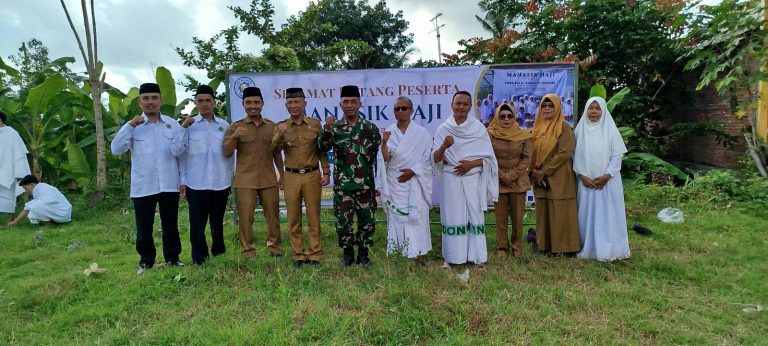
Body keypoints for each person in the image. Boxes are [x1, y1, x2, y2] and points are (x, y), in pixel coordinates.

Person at [111, 83, 186, 274]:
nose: (150, 102)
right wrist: (129, 126)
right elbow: (116, 149)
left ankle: (173, 258)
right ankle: (146, 261)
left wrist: (182, 180)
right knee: (144, 226)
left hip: (169, 183)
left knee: (170, 224)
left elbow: (181, 155)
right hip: (143, 184)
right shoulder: (134, 126)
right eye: (146, 98)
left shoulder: (172, 125)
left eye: (154, 98)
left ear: (161, 100)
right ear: (140, 102)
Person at [432, 91, 498, 266]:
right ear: (452, 105)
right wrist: (444, 146)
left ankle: (476, 256)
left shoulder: (478, 128)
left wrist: (471, 164)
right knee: (453, 216)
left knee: (474, 215)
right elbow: (436, 159)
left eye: (465, 104)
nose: (461, 107)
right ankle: (454, 257)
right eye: (458, 103)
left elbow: (489, 159)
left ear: (470, 106)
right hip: (451, 180)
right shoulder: (443, 129)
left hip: (472, 179)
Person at [318, 85, 381, 267]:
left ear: (360, 103)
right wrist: (327, 129)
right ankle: (347, 254)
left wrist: (378, 183)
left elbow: (377, 157)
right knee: (343, 221)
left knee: (366, 221)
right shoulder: (335, 128)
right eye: (346, 102)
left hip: (365, 186)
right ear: (341, 105)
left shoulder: (370, 128)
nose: (350, 105)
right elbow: (321, 147)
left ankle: (363, 254)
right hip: (343, 187)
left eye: (353, 101)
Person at [272, 87, 331, 267]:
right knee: (294, 218)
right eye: (290, 102)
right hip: (291, 176)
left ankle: (315, 254)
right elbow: (273, 151)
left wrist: (326, 172)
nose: (293, 105)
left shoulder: (315, 124)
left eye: (297, 102)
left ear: (304, 104)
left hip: (312, 174)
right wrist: (280, 135)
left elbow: (321, 150)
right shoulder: (281, 126)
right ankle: (298, 254)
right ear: (286, 105)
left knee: (313, 216)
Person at [223, 87, 284, 258]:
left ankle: (274, 248)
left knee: (273, 216)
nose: (253, 106)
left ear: (262, 103)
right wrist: (234, 137)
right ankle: (248, 250)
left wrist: (282, 174)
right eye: (248, 102)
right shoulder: (235, 127)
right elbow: (226, 152)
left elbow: (276, 152)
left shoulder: (271, 126)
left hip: (269, 178)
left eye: (256, 102)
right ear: (243, 104)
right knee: (246, 218)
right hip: (245, 180)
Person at [180, 84, 235, 265]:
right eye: (200, 101)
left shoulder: (224, 126)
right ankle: (199, 259)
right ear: (196, 103)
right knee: (197, 225)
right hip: (196, 184)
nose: (204, 104)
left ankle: (219, 253)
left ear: (214, 102)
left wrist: (229, 180)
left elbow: (230, 156)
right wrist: (183, 128)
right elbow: (179, 152)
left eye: (208, 100)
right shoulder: (189, 126)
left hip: (220, 183)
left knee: (217, 222)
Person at [375, 96, 433, 260]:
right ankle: (398, 253)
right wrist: (384, 143)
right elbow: (386, 158)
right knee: (397, 219)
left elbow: (427, 160)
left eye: (404, 108)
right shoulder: (389, 132)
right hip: (395, 182)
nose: (400, 111)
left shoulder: (422, 133)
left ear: (411, 110)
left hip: (416, 181)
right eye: (397, 108)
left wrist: (413, 171)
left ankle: (418, 255)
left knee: (417, 218)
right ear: (394, 111)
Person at [573, 97, 630, 261]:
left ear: (603, 111)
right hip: (586, 183)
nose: (594, 111)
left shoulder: (610, 129)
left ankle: (609, 249)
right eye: (590, 108)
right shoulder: (579, 131)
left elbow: (617, 155)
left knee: (608, 216)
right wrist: (581, 175)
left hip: (607, 184)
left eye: (597, 108)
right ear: (586, 110)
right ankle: (587, 247)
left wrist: (607, 175)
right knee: (586, 216)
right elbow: (573, 154)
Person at [530, 94, 580, 256]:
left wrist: (544, 171)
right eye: (544, 106)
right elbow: (530, 151)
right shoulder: (536, 128)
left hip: (559, 176)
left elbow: (564, 153)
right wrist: (534, 172)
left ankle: (563, 248)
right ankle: (544, 246)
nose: (547, 109)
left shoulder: (564, 128)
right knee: (542, 211)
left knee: (560, 211)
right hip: (540, 179)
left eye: (551, 105)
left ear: (558, 107)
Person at [488, 103, 532, 257]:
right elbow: (488, 157)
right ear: (497, 117)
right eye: (502, 116)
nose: (506, 119)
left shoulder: (524, 135)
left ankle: (517, 247)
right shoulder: (490, 134)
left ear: (514, 117)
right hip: (498, 180)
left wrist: (511, 176)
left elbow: (526, 159)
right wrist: (502, 175)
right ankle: (502, 248)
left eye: (510, 116)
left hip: (517, 182)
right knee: (500, 218)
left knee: (517, 218)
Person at [0, 111, 31, 224]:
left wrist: (19, 171)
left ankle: (10, 221)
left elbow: (19, 153)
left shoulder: (12, 134)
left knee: (9, 196)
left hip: (8, 168)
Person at [7, 175, 72, 226]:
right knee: (34, 207)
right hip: (64, 212)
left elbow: (29, 207)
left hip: (62, 213)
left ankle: (50, 225)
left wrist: (15, 222)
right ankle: (52, 222)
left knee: (35, 207)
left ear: (32, 184)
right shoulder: (42, 187)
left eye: (26, 188)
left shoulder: (39, 189)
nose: (26, 191)